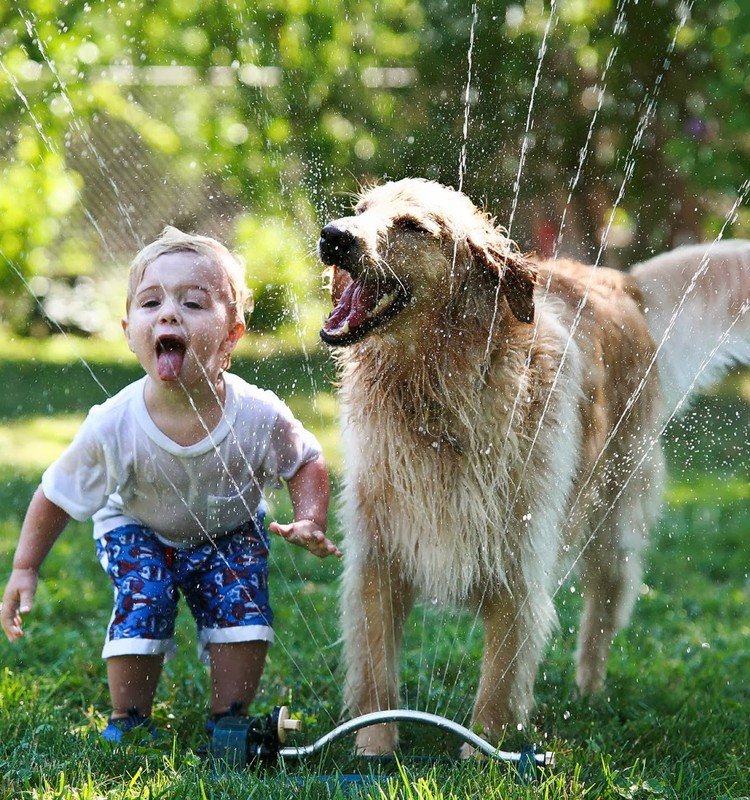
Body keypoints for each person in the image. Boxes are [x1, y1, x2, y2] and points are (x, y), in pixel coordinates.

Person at [0, 226, 340, 742]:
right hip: (137, 526)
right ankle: (129, 719)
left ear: (232, 335)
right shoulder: (113, 424)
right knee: (147, 596)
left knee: (243, 607)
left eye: (194, 303)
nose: (168, 313)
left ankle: (228, 720)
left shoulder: (256, 413)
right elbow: (56, 493)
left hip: (229, 528)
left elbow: (305, 460)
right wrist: (25, 567)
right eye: (151, 301)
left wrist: (311, 518)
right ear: (129, 329)